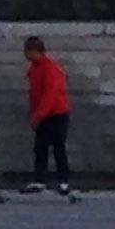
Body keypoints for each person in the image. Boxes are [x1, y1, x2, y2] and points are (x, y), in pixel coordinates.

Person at [22, 35, 77, 199]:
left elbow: (50, 95)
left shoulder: (50, 68)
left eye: (27, 51)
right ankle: (40, 180)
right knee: (41, 147)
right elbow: (34, 94)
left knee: (58, 147)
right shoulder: (34, 69)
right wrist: (34, 114)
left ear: (34, 51)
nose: (25, 54)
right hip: (45, 113)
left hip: (57, 113)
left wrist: (37, 115)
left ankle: (64, 181)